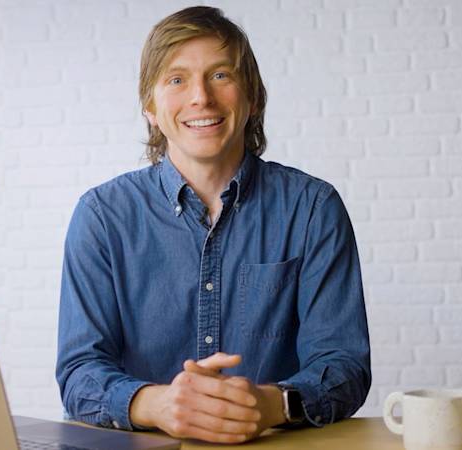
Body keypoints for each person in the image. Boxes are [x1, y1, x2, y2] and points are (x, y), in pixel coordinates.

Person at [56, 6, 371, 444]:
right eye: (177, 79)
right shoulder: (101, 217)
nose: (200, 97)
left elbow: (344, 366)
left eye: (221, 75)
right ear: (150, 105)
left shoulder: (314, 208)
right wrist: (159, 404)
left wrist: (271, 403)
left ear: (253, 97)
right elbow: (79, 373)